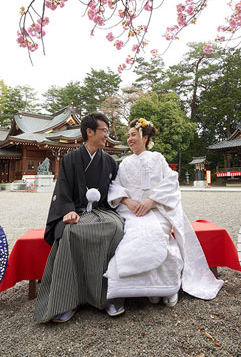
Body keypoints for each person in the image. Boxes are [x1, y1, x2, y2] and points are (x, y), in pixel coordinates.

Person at [105, 118, 223, 305]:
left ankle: (168, 286)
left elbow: (171, 182)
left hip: (157, 209)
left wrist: (152, 200)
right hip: (132, 212)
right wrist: (128, 202)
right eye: (128, 136)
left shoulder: (157, 158)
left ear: (145, 137)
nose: (129, 139)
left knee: (159, 232)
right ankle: (144, 289)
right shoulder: (125, 163)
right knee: (133, 234)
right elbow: (115, 186)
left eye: (133, 135)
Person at [35, 113, 125, 323]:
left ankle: (109, 296)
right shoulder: (70, 159)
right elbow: (63, 189)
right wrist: (67, 210)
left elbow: (115, 190)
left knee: (116, 228)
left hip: (102, 210)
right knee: (71, 230)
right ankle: (67, 300)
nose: (107, 135)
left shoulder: (109, 161)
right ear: (89, 132)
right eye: (104, 130)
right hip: (77, 210)